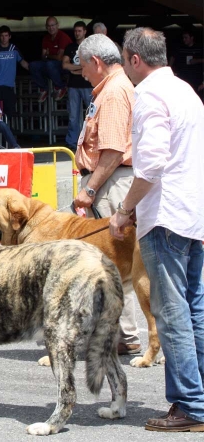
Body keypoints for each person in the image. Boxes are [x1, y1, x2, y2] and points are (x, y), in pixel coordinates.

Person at [110, 27, 204, 432]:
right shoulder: (186, 91)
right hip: (191, 214)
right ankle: (199, 401)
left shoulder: (149, 93)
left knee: (171, 314)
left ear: (134, 58)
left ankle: (190, 406)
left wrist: (124, 210)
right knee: (194, 309)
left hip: (164, 216)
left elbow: (150, 164)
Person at [73, 33, 141, 356]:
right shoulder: (112, 88)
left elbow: (112, 151)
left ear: (97, 62)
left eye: (84, 67)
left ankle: (122, 336)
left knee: (110, 261)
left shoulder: (113, 93)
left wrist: (88, 189)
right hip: (110, 181)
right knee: (116, 262)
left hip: (109, 183)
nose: (83, 73)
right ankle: (123, 335)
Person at [0, 25, 29, 120]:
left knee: (10, 112)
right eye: (2, 36)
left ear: (10, 36)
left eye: (6, 35)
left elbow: (23, 63)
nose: (4, 38)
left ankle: (9, 133)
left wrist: (37, 70)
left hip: (9, 86)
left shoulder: (14, 49)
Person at [62, 21, 93, 151]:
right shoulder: (70, 47)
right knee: (73, 116)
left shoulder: (91, 47)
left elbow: (92, 66)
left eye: (79, 31)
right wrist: (82, 67)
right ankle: (72, 142)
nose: (77, 33)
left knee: (92, 114)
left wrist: (74, 70)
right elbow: (64, 65)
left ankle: (92, 140)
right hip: (73, 85)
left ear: (85, 31)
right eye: (75, 31)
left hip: (88, 84)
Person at [29, 16, 72, 103]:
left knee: (50, 64)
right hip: (51, 66)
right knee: (32, 65)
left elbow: (60, 58)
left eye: (53, 25)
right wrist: (49, 56)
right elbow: (43, 57)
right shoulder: (46, 38)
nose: (51, 28)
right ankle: (44, 89)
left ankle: (60, 87)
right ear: (46, 27)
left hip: (64, 66)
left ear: (57, 25)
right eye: (48, 26)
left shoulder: (63, 36)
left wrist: (48, 55)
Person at [169, 28, 204, 98]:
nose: (184, 39)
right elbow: (173, 57)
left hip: (196, 78)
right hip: (183, 76)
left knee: (196, 96)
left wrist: (197, 60)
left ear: (192, 38)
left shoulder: (199, 48)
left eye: (186, 38)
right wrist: (169, 68)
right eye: (183, 38)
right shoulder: (180, 48)